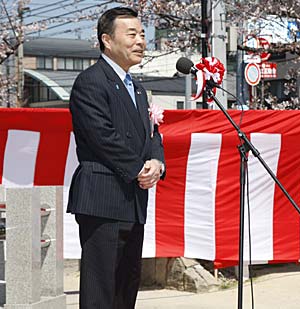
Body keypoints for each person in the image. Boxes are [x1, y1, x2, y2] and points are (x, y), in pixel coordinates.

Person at [67, 7, 165, 309]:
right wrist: (138, 167)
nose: (140, 41)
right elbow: (102, 137)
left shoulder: (137, 88)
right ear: (107, 40)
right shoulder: (90, 81)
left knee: (126, 286)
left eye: (143, 34)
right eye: (132, 34)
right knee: (101, 290)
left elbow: (152, 134)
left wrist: (157, 163)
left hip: (133, 200)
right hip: (102, 199)